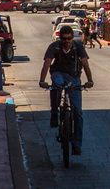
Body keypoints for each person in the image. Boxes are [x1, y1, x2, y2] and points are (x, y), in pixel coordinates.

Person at [39, 25, 94, 156]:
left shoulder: (78, 47)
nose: (66, 42)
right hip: (58, 73)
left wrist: (90, 80)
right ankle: (54, 111)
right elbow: (47, 63)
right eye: (64, 39)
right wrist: (42, 80)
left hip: (74, 76)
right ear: (60, 38)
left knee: (78, 112)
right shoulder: (54, 47)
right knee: (56, 85)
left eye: (69, 39)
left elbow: (85, 63)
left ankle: (77, 144)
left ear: (72, 38)